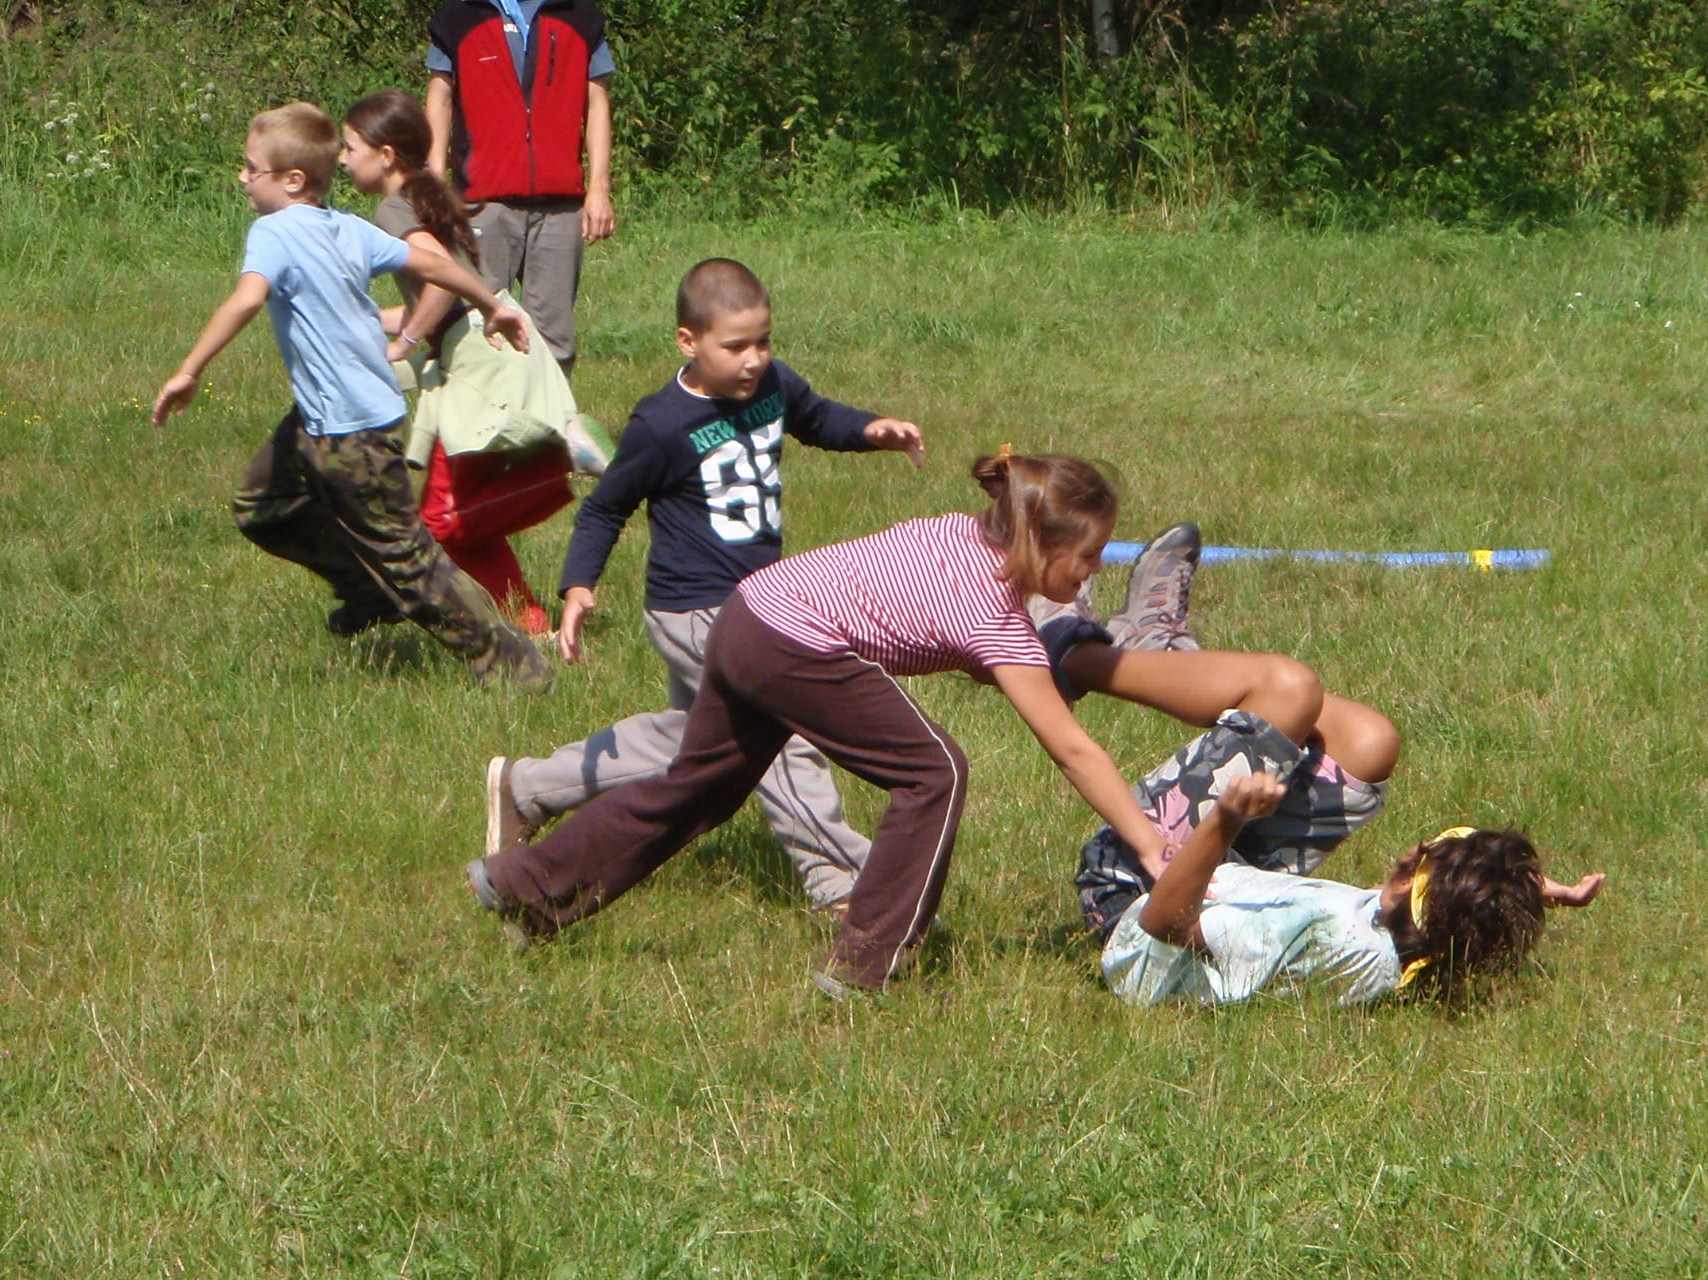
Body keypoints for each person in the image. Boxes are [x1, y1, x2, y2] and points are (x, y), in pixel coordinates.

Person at [468, 451, 1182, 994]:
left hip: (749, 612)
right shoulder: (992, 612)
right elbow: (1072, 748)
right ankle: (868, 962)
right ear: (1037, 546)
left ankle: (523, 884)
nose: (1093, 572)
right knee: (933, 772)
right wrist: (1151, 847)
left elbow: (953, 633)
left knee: (697, 788)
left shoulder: (960, 534)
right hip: (794, 644)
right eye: (1087, 556)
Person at [485, 257, 925, 911]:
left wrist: (870, 431)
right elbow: (606, 507)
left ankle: (527, 788)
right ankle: (846, 883)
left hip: (760, 601)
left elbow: (816, 417)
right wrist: (577, 587)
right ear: (688, 342)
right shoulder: (662, 424)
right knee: (783, 731)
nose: (754, 360)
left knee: (698, 745)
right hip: (696, 608)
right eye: (736, 346)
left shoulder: (772, 384)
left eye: (763, 342)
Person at [1037, 525, 1603, 1005]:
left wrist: (1225, 822)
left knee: (1291, 688)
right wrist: (1514, 894)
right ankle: (1171, 660)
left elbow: (1165, 925)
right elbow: (1448, 918)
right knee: (1369, 742)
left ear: (1409, 876)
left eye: (1434, 849)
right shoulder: (1405, 945)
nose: (1418, 846)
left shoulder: (1322, 938)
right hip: (1225, 886)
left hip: (1133, 892)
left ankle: (1080, 652)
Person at [150, 101, 555, 688]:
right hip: (320, 418)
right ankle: (369, 590)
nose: (242, 177)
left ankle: (514, 663)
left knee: (407, 557)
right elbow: (436, 264)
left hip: (355, 430)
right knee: (261, 504)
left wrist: (190, 370)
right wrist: (491, 303)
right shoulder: (348, 228)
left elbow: (247, 297)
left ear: (293, 180)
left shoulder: (273, 232)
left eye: (251, 168)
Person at [341, 89, 611, 638]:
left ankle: (559, 462)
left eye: (350, 148)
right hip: (487, 346)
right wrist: (366, 323)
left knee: (442, 519)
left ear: (385, 155)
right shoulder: (423, 195)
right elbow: (439, 292)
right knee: (460, 522)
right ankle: (530, 624)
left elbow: (442, 281)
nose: (342, 159)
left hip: (480, 362)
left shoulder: (392, 210)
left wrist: (406, 340)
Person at [426, 0, 615, 383]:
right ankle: (481, 421)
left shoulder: (580, 14)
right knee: (477, 330)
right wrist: (434, 181)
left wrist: (599, 187)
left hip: (560, 206)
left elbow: (596, 103)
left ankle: (551, 420)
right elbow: (440, 98)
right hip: (481, 201)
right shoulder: (459, 14)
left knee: (554, 342)